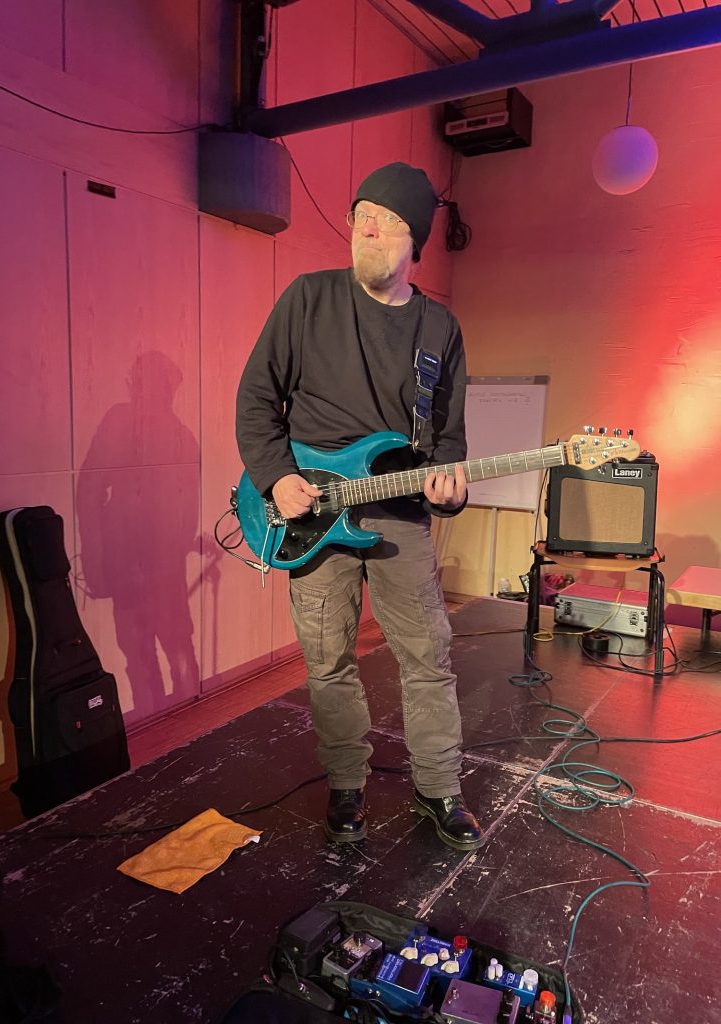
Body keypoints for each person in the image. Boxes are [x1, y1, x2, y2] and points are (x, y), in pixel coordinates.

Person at [235, 162, 484, 852]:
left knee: (428, 657)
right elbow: (257, 400)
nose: (368, 228)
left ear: (416, 240)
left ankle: (439, 789)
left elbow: (449, 441)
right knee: (328, 660)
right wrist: (276, 478)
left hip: (398, 514)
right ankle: (346, 784)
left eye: (387, 219)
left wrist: (451, 488)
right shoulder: (308, 299)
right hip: (312, 512)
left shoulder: (439, 328)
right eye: (361, 215)